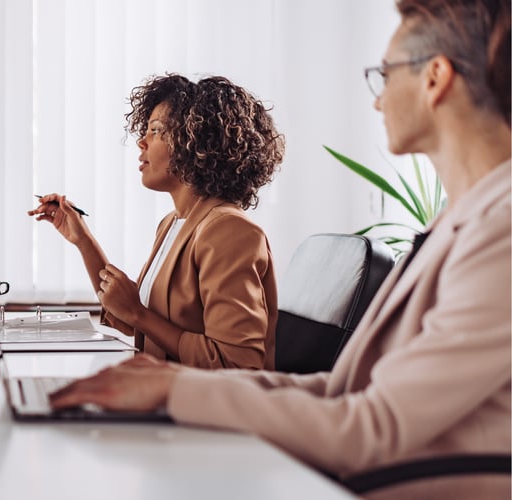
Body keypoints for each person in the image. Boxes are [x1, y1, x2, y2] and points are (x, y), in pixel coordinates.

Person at [51, 0, 511, 497]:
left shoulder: (499, 235)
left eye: (385, 73)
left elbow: (372, 428)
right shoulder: (460, 222)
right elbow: (340, 393)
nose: (377, 100)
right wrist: (168, 389)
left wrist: (173, 388)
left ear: (435, 78)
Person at [29, 74, 284, 369]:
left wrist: (138, 313)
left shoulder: (229, 230)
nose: (141, 142)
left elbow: (237, 365)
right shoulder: (173, 224)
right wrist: (83, 241)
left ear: (195, 142)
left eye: (155, 130)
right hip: (165, 393)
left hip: (202, 408)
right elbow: (144, 326)